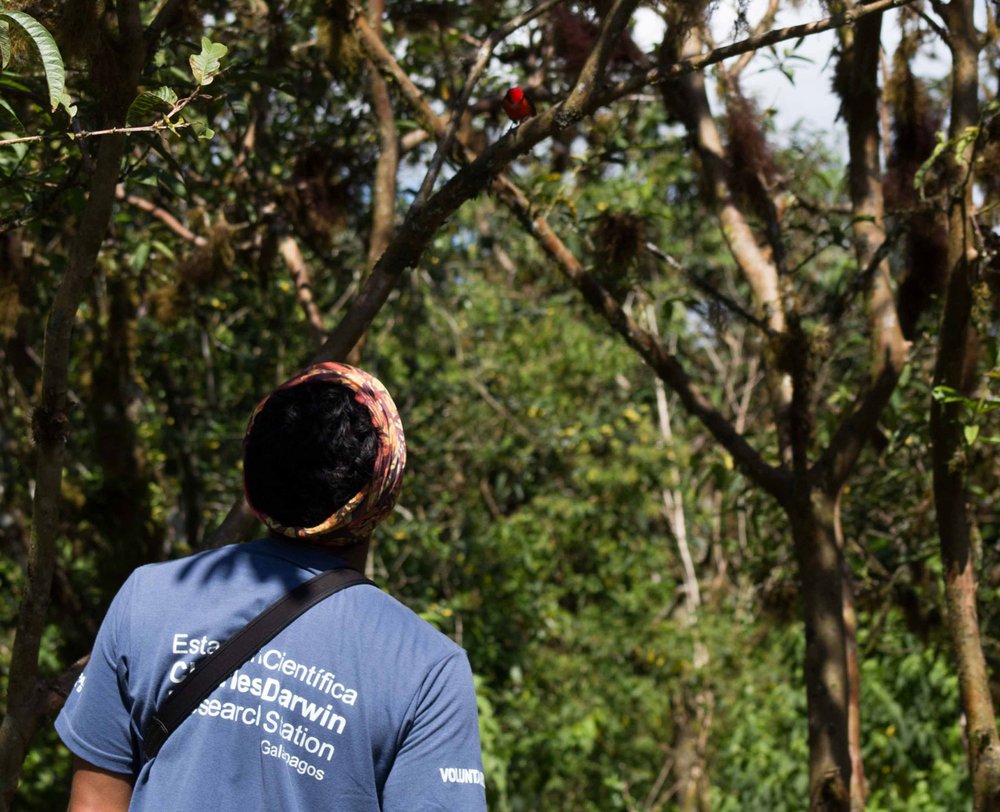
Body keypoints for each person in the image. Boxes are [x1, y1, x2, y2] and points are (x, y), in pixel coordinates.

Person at [56, 362, 488, 811]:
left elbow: (94, 802)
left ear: (255, 476)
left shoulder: (146, 597)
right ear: (386, 490)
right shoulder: (427, 670)